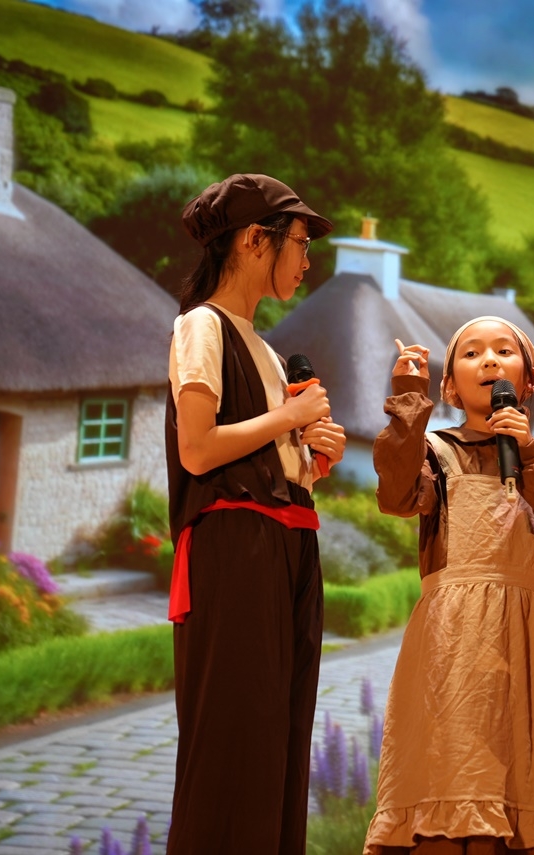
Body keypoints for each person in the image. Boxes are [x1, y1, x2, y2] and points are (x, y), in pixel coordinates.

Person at [364, 316, 534, 855]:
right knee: (455, 770)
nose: (489, 360)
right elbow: (396, 495)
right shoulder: (434, 452)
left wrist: (526, 456)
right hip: (452, 644)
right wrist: (408, 399)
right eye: (472, 352)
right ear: (451, 384)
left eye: (504, 350)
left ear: (528, 377)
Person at [165, 173, 347, 853]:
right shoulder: (201, 326)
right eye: (300, 242)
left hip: (289, 549)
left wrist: (311, 460)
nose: (306, 261)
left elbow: (265, 460)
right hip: (235, 550)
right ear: (252, 240)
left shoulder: (266, 350)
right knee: (233, 738)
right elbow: (197, 449)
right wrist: (290, 418)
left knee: (280, 741)